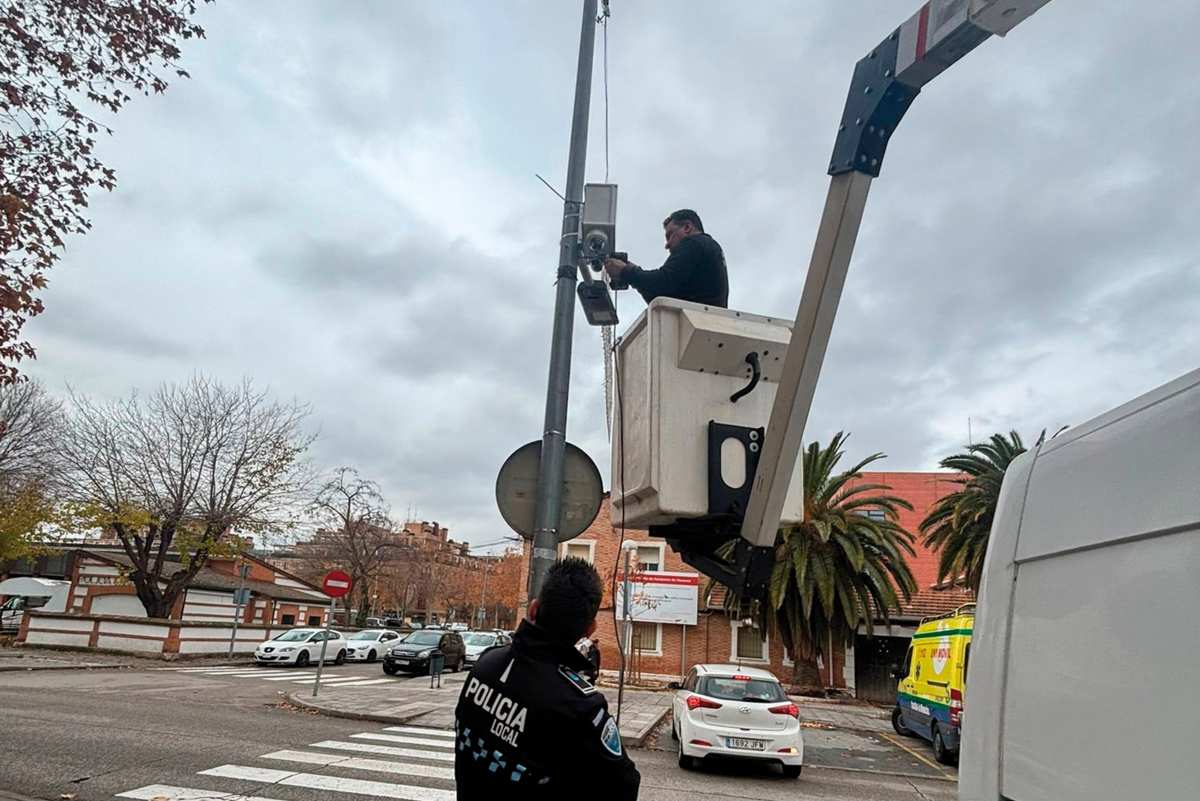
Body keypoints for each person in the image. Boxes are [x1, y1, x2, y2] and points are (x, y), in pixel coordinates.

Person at [453, 558, 640, 800]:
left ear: (533, 609)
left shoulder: (485, 665)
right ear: (590, 629)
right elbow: (624, 786)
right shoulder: (580, 707)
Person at [604, 208, 729, 308]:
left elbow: (664, 281)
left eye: (670, 235)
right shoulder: (708, 248)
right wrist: (632, 272)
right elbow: (660, 297)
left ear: (687, 227)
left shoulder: (694, 242)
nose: (667, 244)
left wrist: (627, 272)